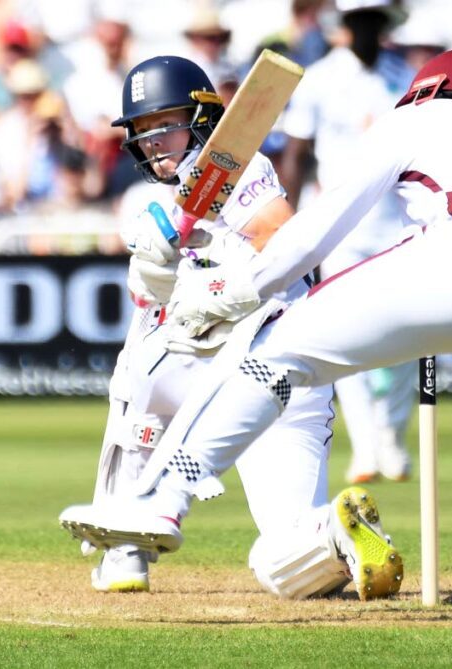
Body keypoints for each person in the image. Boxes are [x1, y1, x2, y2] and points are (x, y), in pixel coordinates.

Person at [62, 49, 452, 624]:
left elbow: (314, 229)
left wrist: (235, 289)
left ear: (426, 89)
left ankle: (159, 501)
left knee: (273, 352)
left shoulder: (417, 118)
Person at [72, 54, 403, 601]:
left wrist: (218, 278)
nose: (152, 141)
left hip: (271, 366)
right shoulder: (151, 200)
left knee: (288, 563)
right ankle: (131, 545)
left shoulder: (241, 168)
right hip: (208, 369)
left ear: (203, 120)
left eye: (165, 124)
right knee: (139, 366)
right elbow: (148, 303)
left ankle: (129, 543)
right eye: (143, 130)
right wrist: (156, 271)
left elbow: (280, 235)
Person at [280, 0, 416, 484]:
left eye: (375, 22)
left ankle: (392, 437)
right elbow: (296, 154)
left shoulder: (407, 77)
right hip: (339, 229)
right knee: (346, 335)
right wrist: (285, 226)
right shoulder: (318, 77)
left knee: (406, 335)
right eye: (360, 21)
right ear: (346, 25)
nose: (367, 31)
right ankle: (365, 448)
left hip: (400, 224)